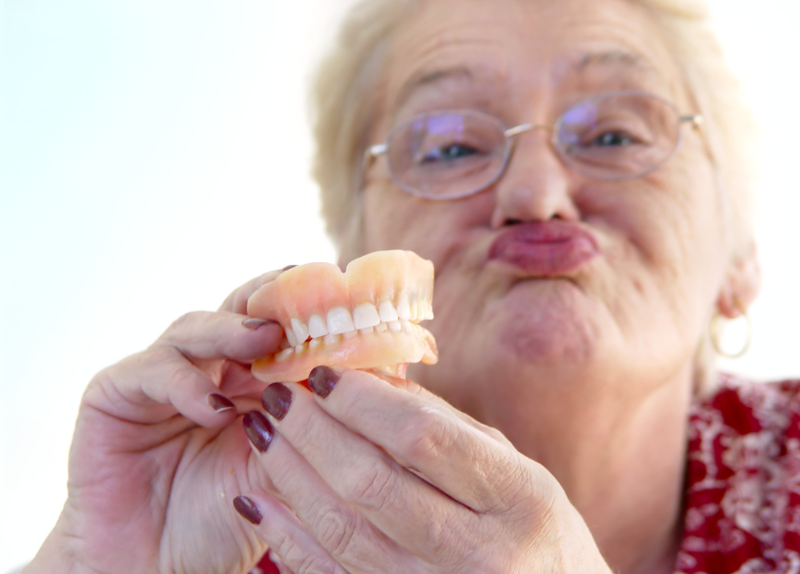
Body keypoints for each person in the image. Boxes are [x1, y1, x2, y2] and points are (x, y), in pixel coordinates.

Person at [21, 0, 793, 572]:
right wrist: (101, 562)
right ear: (353, 254)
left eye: (614, 135)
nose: (535, 193)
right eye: (451, 146)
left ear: (740, 255)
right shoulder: (249, 532)